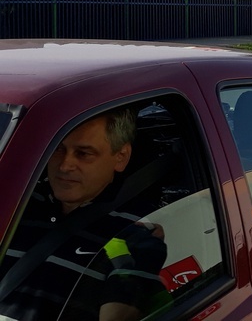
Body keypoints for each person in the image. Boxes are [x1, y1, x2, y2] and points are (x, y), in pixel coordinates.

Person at [0, 108, 169, 320]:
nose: (64, 165)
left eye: (84, 153)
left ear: (121, 157)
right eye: (58, 149)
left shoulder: (135, 232)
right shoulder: (16, 203)